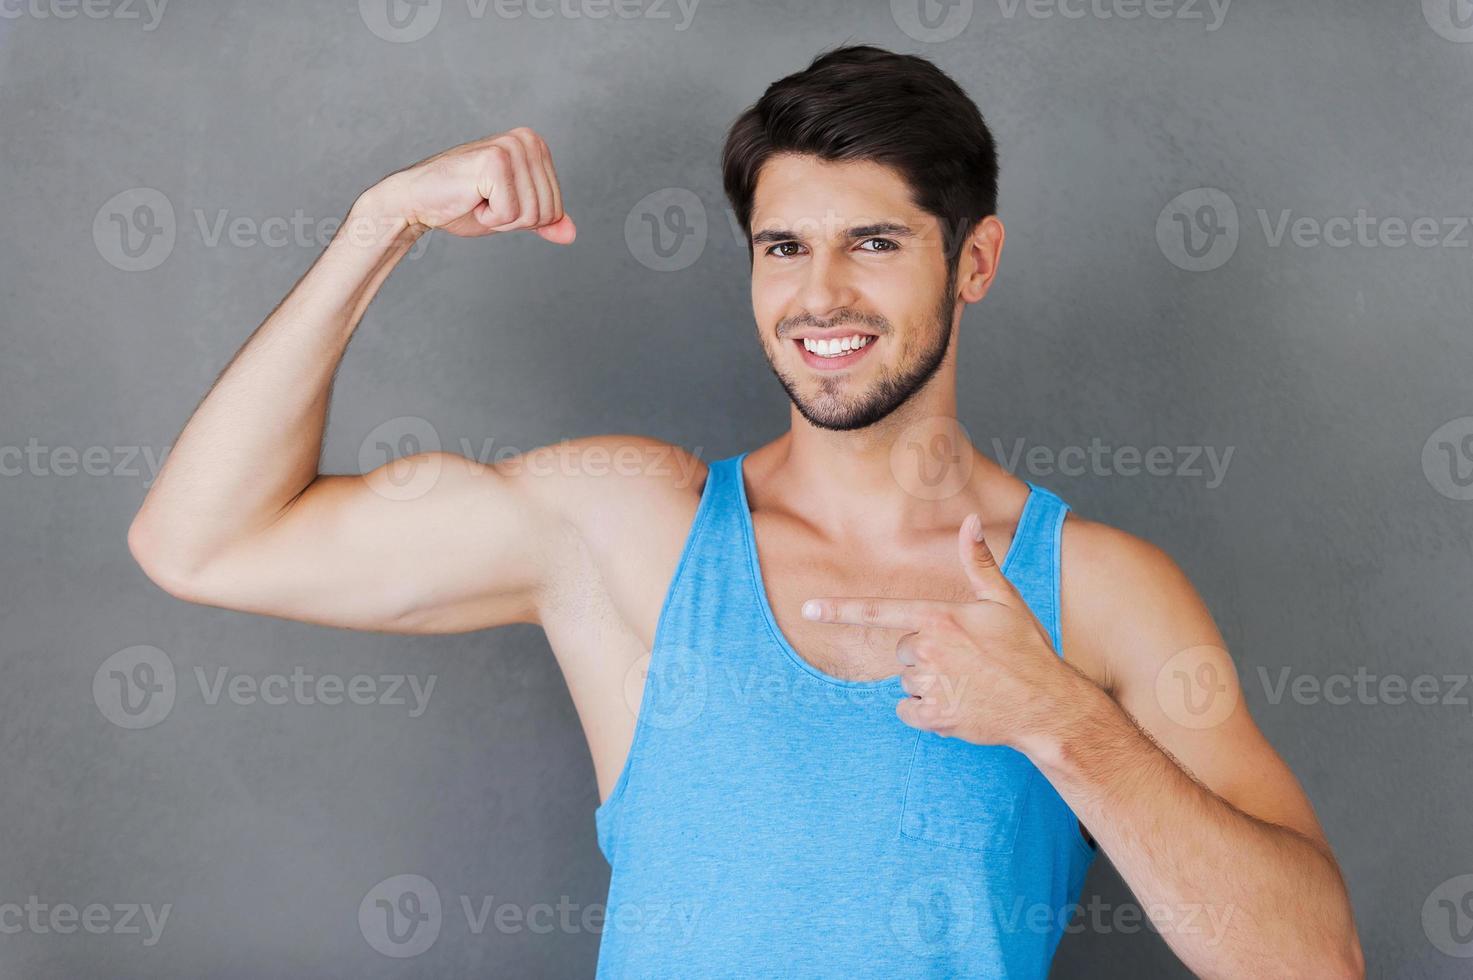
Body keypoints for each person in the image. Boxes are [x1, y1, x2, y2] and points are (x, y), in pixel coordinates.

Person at [128, 44, 1363, 979]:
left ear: (973, 261)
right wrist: (380, 225)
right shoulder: (623, 525)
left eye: (874, 241)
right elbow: (201, 542)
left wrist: (1065, 723)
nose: (819, 294)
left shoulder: (1098, 590)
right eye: (782, 247)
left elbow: (1314, 962)